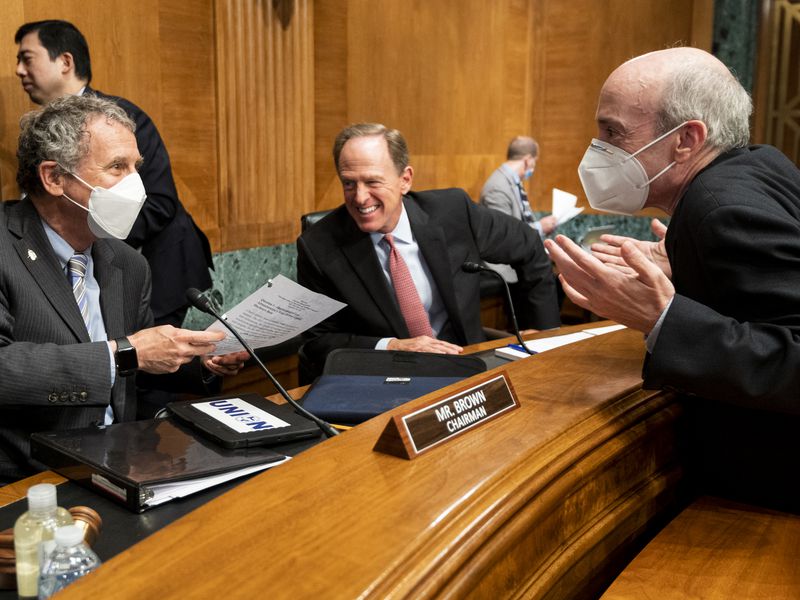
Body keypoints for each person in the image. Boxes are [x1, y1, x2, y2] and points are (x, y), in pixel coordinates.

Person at [544, 47, 800, 511]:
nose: (597, 149)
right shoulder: (756, 164)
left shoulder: (719, 208)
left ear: (686, 140)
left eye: (613, 132)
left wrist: (661, 317)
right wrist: (682, 270)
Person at [0, 94, 247, 483]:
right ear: (54, 178)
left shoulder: (127, 263)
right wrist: (124, 355)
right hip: (29, 478)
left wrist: (198, 363)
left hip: (122, 464)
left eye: (137, 168)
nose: (137, 186)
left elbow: (139, 366)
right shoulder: (4, 246)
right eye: (117, 167)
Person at [296, 123, 560, 376]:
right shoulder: (319, 246)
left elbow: (529, 245)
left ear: (405, 179)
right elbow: (317, 342)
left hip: (468, 366)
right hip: (385, 379)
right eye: (349, 183)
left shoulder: (453, 212)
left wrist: (544, 333)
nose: (360, 197)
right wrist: (391, 346)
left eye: (373, 182)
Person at [14, 19, 214, 328]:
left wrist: (90, 237)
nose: (18, 70)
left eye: (27, 58)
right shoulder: (41, 128)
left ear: (65, 62)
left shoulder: (115, 121)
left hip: (157, 269)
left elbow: (159, 203)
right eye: (118, 166)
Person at [480, 136, 557, 241]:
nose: (534, 166)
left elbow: (522, 222)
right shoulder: (497, 188)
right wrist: (540, 228)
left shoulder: (514, 182)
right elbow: (503, 234)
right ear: (528, 160)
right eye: (535, 161)